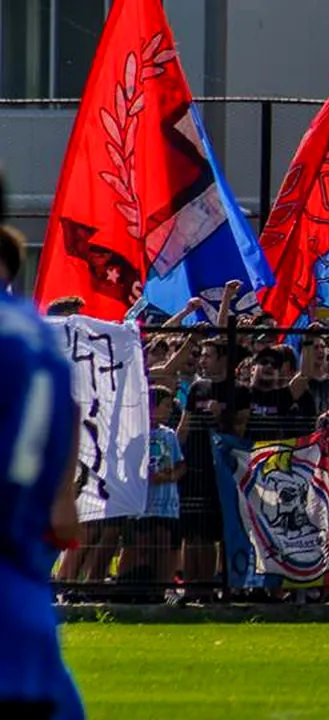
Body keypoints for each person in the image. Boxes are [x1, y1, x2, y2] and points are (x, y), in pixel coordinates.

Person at [0, 220, 86, 718]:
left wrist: (62, 493)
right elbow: (68, 406)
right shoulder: (34, 335)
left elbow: (67, 409)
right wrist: (62, 493)